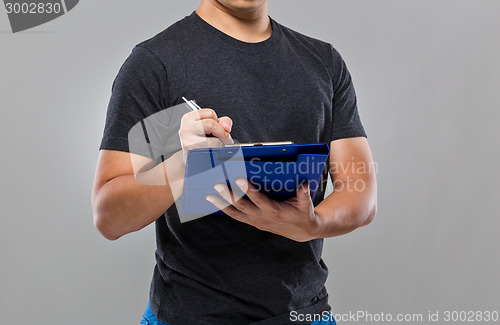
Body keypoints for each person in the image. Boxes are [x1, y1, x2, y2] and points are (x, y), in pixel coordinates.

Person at [91, 0, 377, 324]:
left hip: (304, 315)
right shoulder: (157, 65)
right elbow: (110, 217)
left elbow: (361, 192)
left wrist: (311, 225)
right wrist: (183, 163)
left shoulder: (322, 63)